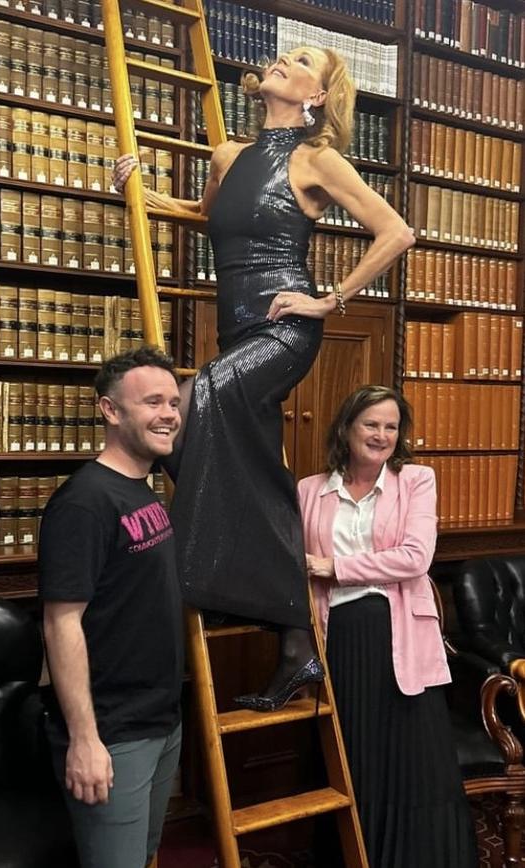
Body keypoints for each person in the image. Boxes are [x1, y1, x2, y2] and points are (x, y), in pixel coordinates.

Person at [113, 47, 414, 709]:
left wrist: (328, 299)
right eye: (282, 54)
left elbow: (396, 232)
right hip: (236, 329)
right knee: (253, 471)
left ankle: (224, 580)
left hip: (285, 329)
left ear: (316, 94)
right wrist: (136, 188)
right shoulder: (227, 155)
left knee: (184, 412)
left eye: (300, 59)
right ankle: (296, 642)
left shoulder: (316, 159)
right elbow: (206, 215)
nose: (281, 60)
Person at [298, 385, 478, 868]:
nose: (381, 435)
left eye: (391, 426)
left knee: (413, 764)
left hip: (398, 639)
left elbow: (416, 558)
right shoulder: (310, 490)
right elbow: (297, 566)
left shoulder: (416, 479)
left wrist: (333, 566)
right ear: (346, 428)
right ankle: (356, 854)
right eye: (371, 424)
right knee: (352, 757)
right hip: (338, 640)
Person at [38, 347, 184, 868]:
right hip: (111, 731)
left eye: (172, 402)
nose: (168, 413)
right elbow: (61, 623)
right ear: (111, 411)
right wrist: (84, 739)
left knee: (143, 856)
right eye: (152, 402)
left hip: (160, 720)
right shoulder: (84, 502)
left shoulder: (144, 491)